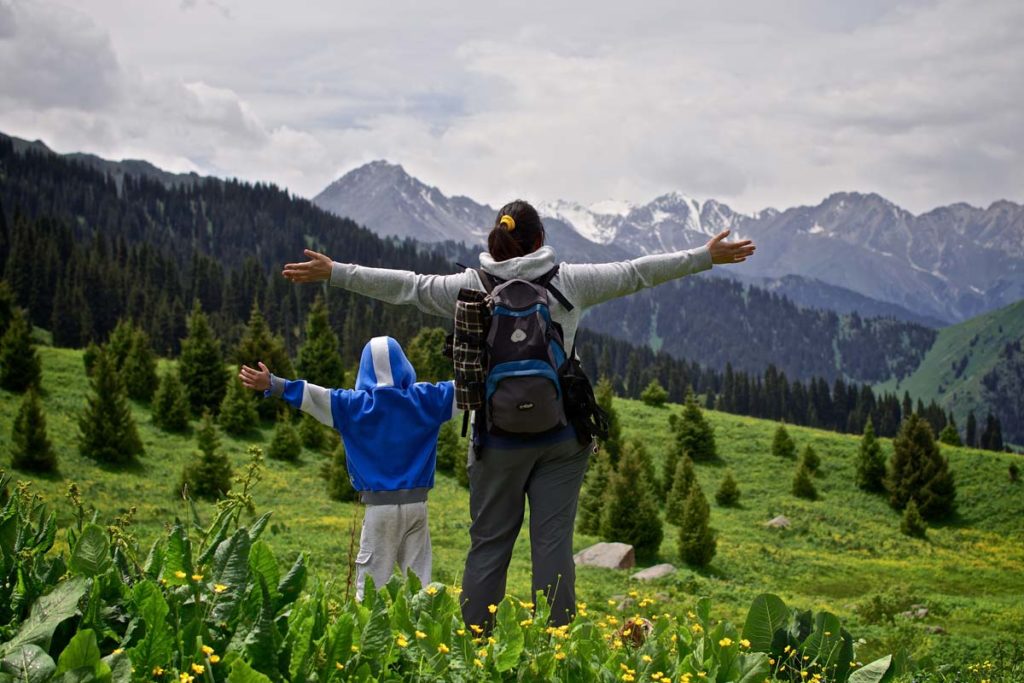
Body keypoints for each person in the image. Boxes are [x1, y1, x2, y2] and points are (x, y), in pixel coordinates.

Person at [282, 199, 755, 627]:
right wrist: (704, 256)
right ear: (540, 239)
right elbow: (636, 272)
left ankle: (474, 644)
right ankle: (557, 646)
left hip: (496, 440)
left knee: (489, 544)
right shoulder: (568, 282)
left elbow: (409, 287)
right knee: (552, 546)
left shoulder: (470, 286)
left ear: (498, 239)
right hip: (562, 438)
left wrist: (335, 272)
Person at [239, 335, 455, 599]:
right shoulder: (426, 399)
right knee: (420, 582)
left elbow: (312, 395)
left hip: (379, 511)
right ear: (404, 365)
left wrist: (273, 384)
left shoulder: (352, 406)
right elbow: (464, 388)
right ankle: (424, 622)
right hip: (417, 506)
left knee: (371, 586)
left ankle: (367, 625)